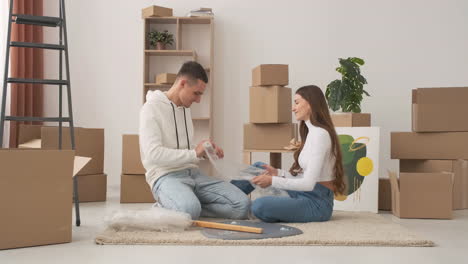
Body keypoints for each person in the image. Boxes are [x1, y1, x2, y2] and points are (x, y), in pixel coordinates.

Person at [139, 61, 250, 220]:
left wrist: (205, 151)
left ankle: (184, 206)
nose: (198, 100)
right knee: (189, 209)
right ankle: (179, 205)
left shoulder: (185, 109)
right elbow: (153, 154)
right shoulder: (151, 109)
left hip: (194, 174)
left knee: (242, 205)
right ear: (182, 84)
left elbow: (183, 147)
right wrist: (194, 153)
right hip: (165, 176)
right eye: (196, 93)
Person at [231, 85, 345, 223]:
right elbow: (304, 177)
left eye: (297, 102)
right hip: (305, 192)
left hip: (317, 202)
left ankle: (232, 205)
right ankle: (226, 197)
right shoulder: (311, 132)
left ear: (310, 104)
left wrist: (272, 181)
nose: (293, 108)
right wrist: (278, 173)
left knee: (259, 206)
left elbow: (308, 184)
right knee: (259, 167)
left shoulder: (320, 134)